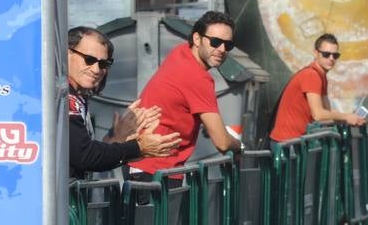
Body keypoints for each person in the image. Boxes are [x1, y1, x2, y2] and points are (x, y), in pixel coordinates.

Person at [128, 10, 244, 180]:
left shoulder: (181, 52)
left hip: (141, 165)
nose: (222, 50)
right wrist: (239, 146)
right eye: (215, 42)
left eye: (228, 45)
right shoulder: (198, 77)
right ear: (197, 39)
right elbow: (222, 142)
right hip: (154, 172)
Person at [66, 26, 178, 178]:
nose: (96, 69)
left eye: (104, 64)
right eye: (89, 60)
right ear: (67, 54)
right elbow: (85, 156)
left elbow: (84, 154)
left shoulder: (76, 96)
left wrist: (116, 140)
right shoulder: (63, 98)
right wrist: (138, 148)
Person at [268, 33, 368, 143]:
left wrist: (349, 118)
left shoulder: (321, 76)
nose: (331, 58)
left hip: (297, 142)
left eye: (335, 55)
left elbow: (327, 112)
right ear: (316, 53)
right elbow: (318, 114)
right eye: (326, 54)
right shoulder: (312, 75)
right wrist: (345, 117)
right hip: (287, 144)